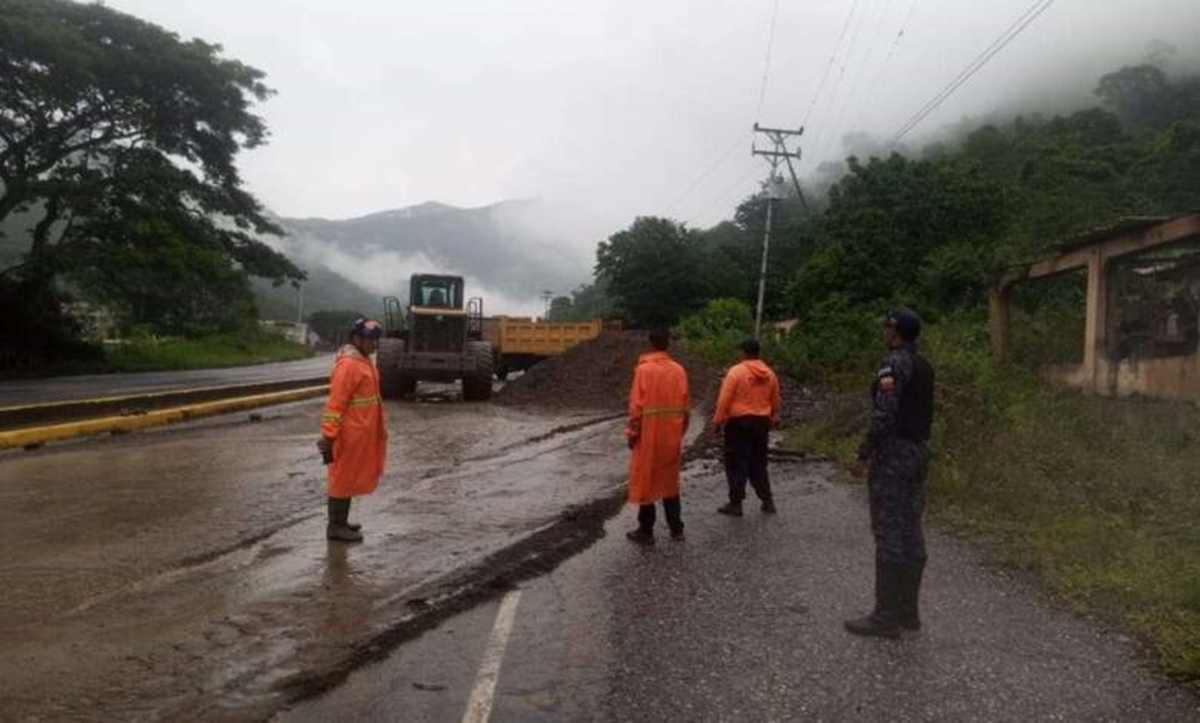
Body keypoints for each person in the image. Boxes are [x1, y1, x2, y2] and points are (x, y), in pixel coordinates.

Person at [844, 307, 935, 638]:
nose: (883, 331)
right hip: (918, 452)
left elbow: (884, 414)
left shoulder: (893, 363)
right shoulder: (924, 365)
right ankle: (908, 613)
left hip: (894, 454)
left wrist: (863, 453)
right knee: (911, 528)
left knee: (888, 531)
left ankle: (885, 617)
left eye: (886, 326)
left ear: (894, 330)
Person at [317, 318, 388, 543]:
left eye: (376, 340)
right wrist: (328, 436)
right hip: (348, 433)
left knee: (348, 478)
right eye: (370, 340)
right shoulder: (349, 365)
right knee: (341, 478)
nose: (374, 345)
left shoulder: (363, 361)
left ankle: (341, 521)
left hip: (359, 433)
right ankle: (335, 527)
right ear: (356, 339)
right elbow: (335, 404)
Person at [624, 329, 690, 545]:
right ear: (668, 344)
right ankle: (676, 530)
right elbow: (686, 407)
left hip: (649, 434)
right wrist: (679, 432)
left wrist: (632, 434)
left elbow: (636, 408)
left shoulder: (644, 370)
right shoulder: (679, 370)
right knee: (669, 482)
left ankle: (646, 531)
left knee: (647, 482)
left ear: (650, 343)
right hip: (671, 434)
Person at [711, 338, 781, 516]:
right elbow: (775, 398)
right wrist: (775, 416)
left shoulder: (736, 372)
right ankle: (767, 501)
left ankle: (735, 504)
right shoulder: (770, 374)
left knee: (736, 463)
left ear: (743, 352)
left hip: (739, 423)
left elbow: (724, 398)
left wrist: (718, 421)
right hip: (761, 422)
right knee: (758, 462)